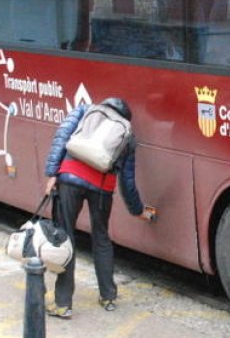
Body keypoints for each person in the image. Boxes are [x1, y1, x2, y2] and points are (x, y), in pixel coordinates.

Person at [43, 97, 154, 318]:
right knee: (101, 237)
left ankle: (63, 303)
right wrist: (137, 209)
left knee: (66, 238)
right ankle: (108, 296)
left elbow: (61, 138)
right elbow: (128, 180)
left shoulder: (85, 110)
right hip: (102, 188)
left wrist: (52, 173)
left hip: (70, 179)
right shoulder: (128, 134)